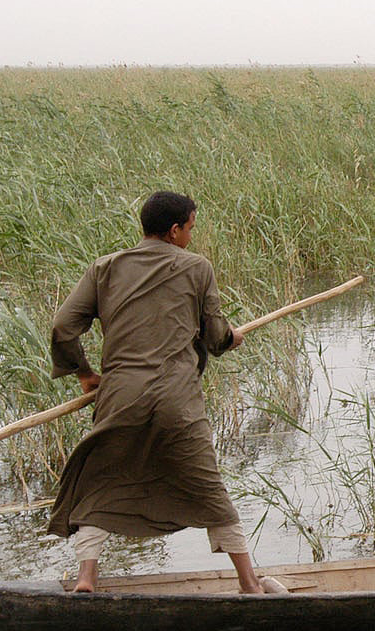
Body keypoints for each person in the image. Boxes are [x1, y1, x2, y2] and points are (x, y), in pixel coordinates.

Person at [47, 191, 280, 594]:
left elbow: (62, 327)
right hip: (178, 397)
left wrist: (85, 373)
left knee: (100, 483)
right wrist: (232, 339)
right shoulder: (197, 268)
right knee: (208, 488)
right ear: (174, 231)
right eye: (190, 227)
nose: (192, 235)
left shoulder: (104, 268)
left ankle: (86, 578)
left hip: (120, 395)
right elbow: (215, 336)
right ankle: (249, 583)